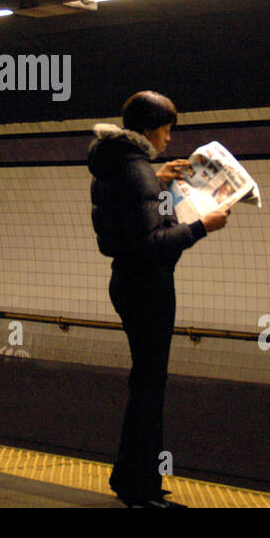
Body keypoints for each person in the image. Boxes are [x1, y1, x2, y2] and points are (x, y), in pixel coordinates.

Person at [88, 90, 227, 508]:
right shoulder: (136, 171)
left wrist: (160, 179)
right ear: (151, 130)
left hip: (128, 282)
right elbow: (151, 243)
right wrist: (203, 226)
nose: (169, 138)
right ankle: (139, 488)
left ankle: (133, 477)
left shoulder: (118, 162)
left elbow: (129, 216)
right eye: (167, 130)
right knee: (149, 388)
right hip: (147, 286)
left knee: (144, 384)